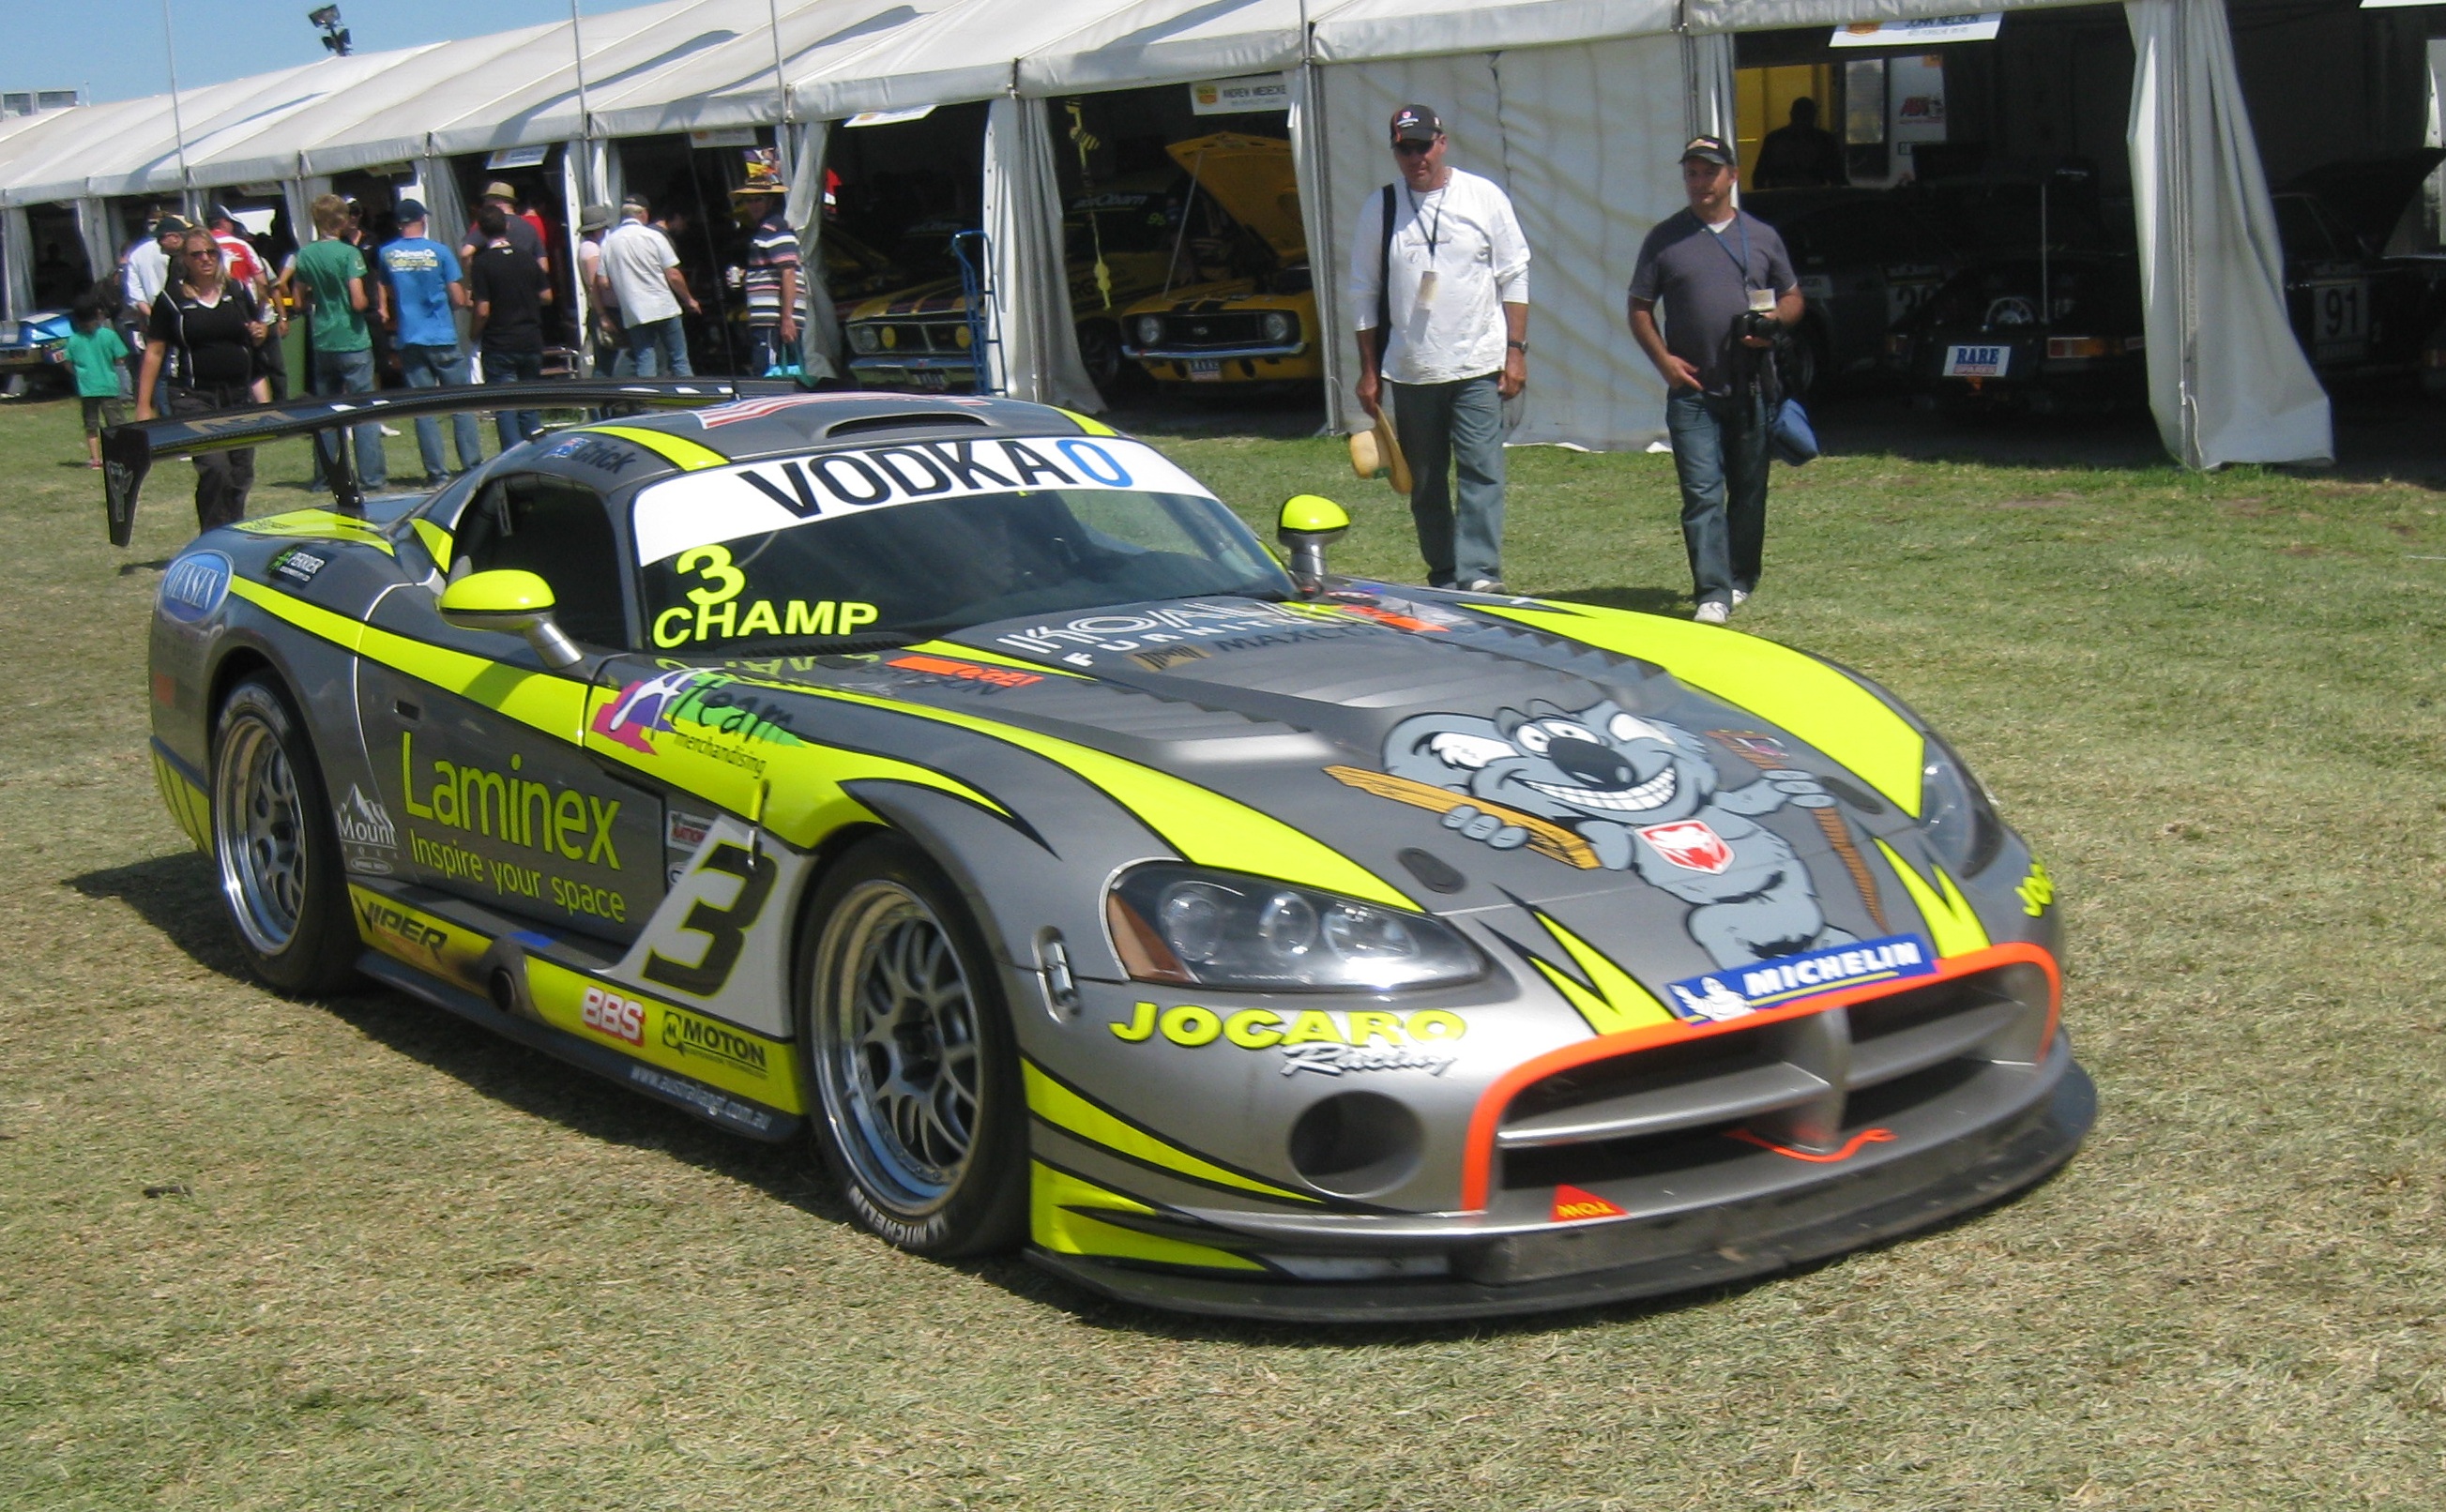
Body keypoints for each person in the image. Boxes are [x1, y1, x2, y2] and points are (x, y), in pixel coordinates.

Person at [1346, 103, 1531, 594]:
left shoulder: (1482, 196)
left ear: (1442, 143)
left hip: (1477, 363)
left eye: (1423, 146)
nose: (1416, 157)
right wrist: (1369, 371)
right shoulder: (1380, 207)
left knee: (1481, 471)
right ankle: (1445, 573)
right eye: (1405, 149)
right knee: (1423, 481)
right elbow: (1364, 291)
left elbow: (1514, 273)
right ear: (1395, 151)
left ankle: (1480, 574)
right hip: (1411, 370)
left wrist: (1515, 350)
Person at [1627, 135, 1803, 625]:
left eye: (1709, 172)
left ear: (1732, 176)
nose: (1700, 182)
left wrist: (1773, 325)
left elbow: (1793, 298)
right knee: (1702, 491)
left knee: (1748, 490)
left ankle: (1741, 576)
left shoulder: (1762, 236)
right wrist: (1664, 362)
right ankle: (1712, 591)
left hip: (1751, 387)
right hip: (1692, 392)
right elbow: (1639, 308)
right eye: (1692, 173)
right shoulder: (1664, 239)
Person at [134, 229, 270, 531]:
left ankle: (234, 532)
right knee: (215, 468)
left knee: (240, 472)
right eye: (197, 254)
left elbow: (251, 337)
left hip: (237, 395)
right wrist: (144, 405)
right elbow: (155, 352)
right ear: (185, 260)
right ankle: (212, 536)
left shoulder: (235, 291)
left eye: (211, 252)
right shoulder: (172, 301)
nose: (206, 259)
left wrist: (261, 332)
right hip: (194, 397)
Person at [375, 198, 482, 485]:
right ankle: (471, 465)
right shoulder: (440, 251)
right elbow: (458, 298)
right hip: (441, 334)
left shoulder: (386, 253)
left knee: (423, 410)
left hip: (410, 336)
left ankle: (436, 472)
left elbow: (385, 289)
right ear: (422, 220)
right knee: (460, 403)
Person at [294, 192, 387, 491]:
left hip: (323, 337)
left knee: (326, 412)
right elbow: (358, 300)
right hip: (352, 336)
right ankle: (372, 477)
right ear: (342, 220)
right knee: (365, 410)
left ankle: (324, 476)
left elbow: (298, 297)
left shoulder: (305, 254)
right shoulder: (350, 254)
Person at [467, 202, 553, 451]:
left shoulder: (482, 264)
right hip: (530, 337)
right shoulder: (527, 258)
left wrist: (473, 333)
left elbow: (483, 309)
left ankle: (511, 456)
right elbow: (547, 296)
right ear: (506, 226)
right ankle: (534, 452)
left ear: (481, 232)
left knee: (505, 405)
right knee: (529, 403)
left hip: (500, 341)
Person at [601, 196, 700, 378]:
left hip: (634, 311)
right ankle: (690, 399)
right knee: (679, 359)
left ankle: (648, 405)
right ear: (644, 214)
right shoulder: (654, 236)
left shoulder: (608, 242)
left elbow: (604, 283)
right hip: (664, 306)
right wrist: (689, 300)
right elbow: (673, 274)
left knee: (644, 359)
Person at [205, 204, 286, 401]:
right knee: (265, 366)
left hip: (217, 316)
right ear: (224, 223)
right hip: (250, 314)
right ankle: (275, 406)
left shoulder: (201, 250)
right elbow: (262, 283)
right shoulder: (241, 245)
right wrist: (258, 314)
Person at [733, 168, 799, 376]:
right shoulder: (763, 230)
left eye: (758, 200)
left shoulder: (777, 228)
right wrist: (747, 276)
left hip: (774, 318)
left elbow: (788, 273)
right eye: (748, 201)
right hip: (765, 316)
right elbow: (772, 270)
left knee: (769, 372)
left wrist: (787, 319)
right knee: (769, 370)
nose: (752, 205)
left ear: (770, 201)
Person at [64, 298, 129, 469]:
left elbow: (67, 363)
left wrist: (80, 373)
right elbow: (120, 358)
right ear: (98, 315)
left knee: (91, 425)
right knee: (116, 424)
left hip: (87, 388)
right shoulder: (109, 335)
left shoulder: (74, 340)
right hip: (108, 386)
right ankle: (121, 455)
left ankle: (95, 459)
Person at [1752, 98, 1847, 190]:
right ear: (1814, 116)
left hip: (1781, 198)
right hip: (1815, 198)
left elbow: (1759, 177)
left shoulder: (1774, 139)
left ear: (1791, 115)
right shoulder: (1825, 140)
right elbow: (1838, 177)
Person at [574, 203, 624, 376]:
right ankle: (601, 401)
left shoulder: (587, 248)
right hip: (604, 311)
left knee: (607, 361)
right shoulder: (591, 250)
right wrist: (603, 316)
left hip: (601, 310)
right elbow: (593, 285)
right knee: (607, 363)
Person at [461, 181, 548, 273]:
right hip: (525, 284)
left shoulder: (489, 222)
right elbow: (544, 266)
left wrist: (473, 277)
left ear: (497, 201)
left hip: (495, 284)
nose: (485, 204)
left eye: (487, 200)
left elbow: (466, 253)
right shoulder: (530, 228)